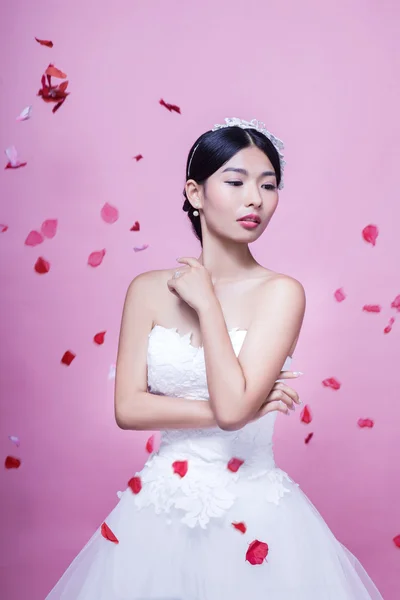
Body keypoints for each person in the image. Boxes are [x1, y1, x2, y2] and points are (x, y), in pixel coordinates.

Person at [45, 117, 384, 599]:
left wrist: (206, 305)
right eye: (236, 181)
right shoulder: (146, 289)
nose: (255, 199)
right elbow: (129, 409)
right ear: (195, 192)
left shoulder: (282, 293)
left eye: (269, 185)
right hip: (159, 510)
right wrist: (246, 408)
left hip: (258, 514)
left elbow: (231, 411)